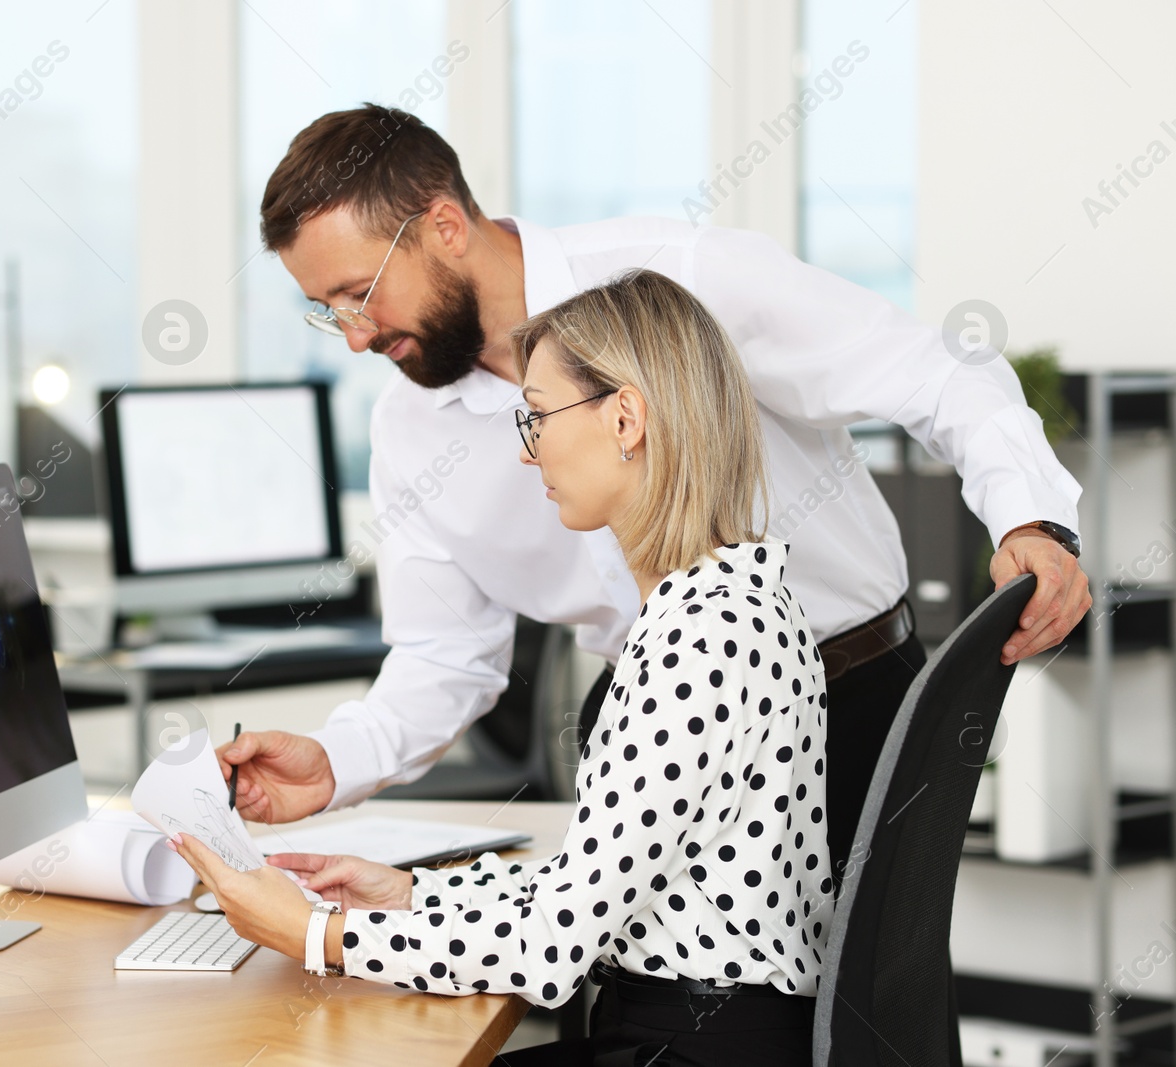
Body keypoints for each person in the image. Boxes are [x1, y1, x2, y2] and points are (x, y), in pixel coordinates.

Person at [219, 104, 1090, 882]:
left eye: (357, 293)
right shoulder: (411, 430)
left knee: (851, 1012)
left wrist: (1031, 515)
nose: (355, 334)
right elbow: (446, 655)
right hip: (652, 732)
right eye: (326, 310)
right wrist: (336, 759)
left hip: (848, 703)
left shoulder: (683, 277)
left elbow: (932, 374)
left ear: (444, 224)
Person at [179, 270, 830, 1065]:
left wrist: (315, 934)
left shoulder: (702, 639)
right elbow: (594, 880)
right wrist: (408, 892)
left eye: (538, 418)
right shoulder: (731, 602)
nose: (530, 454)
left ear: (625, 418)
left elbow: (553, 944)